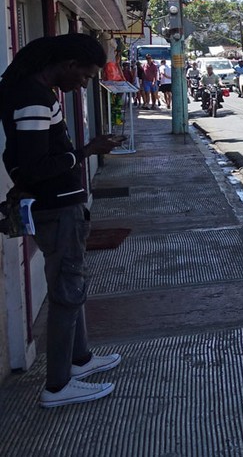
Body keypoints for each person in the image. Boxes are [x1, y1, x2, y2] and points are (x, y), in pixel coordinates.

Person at [0, 34, 123, 408]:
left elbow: (16, 158)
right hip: (57, 207)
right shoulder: (34, 99)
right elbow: (36, 167)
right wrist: (86, 151)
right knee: (67, 291)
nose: (83, 84)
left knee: (72, 283)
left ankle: (79, 358)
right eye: (84, 76)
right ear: (68, 65)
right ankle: (58, 386)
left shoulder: (29, 91)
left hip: (59, 205)